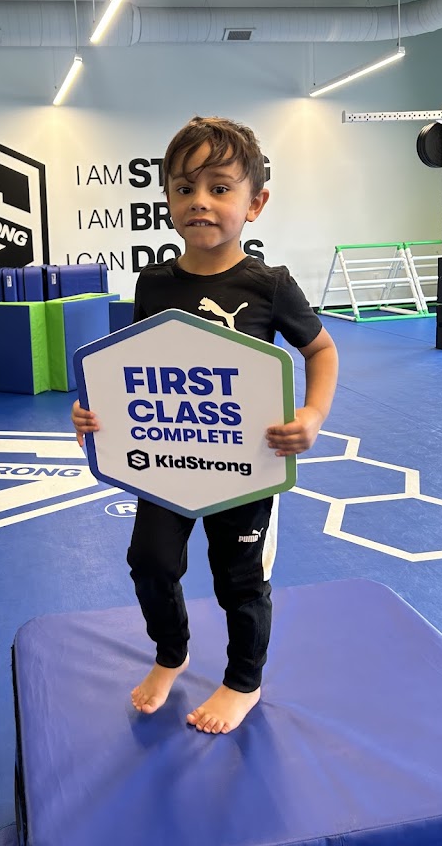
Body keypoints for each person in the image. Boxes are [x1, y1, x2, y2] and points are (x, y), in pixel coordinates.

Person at [71, 116, 338, 735]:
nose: (200, 201)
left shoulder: (270, 286)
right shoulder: (153, 283)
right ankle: (172, 653)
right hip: (167, 460)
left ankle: (243, 681)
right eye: (184, 188)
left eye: (220, 188)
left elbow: (321, 351)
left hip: (244, 467)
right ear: (167, 199)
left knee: (240, 580)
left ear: (255, 203)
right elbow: (133, 368)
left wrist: (312, 415)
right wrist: (93, 410)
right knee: (150, 561)